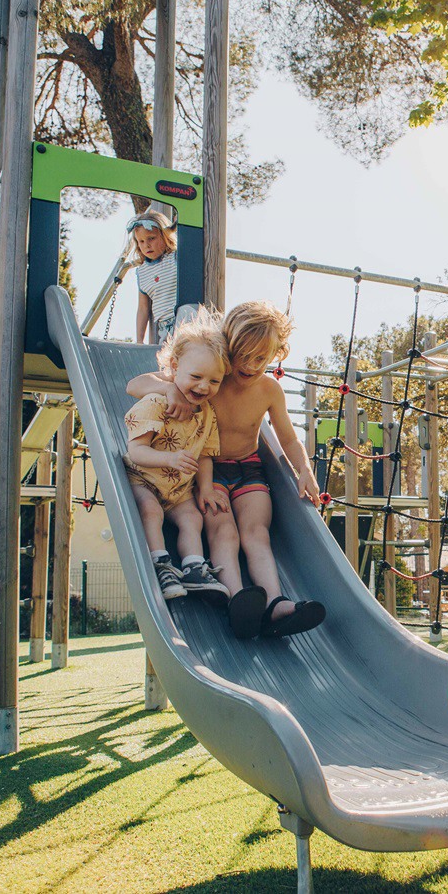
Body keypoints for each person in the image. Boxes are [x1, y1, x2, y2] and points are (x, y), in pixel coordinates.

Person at [126, 300, 326, 640]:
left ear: (277, 353)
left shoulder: (269, 390)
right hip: (209, 471)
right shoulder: (211, 377)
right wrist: (171, 388)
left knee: (256, 534)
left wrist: (303, 470)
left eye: (261, 357)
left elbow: (289, 439)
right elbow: (136, 385)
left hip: (250, 470)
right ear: (228, 345)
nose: (250, 364)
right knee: (223, 532)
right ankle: (237, 599)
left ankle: (275, 603)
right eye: (242, 355)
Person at [123, 309, 268, 636]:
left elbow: (205, 456)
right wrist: (171, 459)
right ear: (174, 369)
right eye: (196, 377)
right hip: (143, 480)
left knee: (194, 519)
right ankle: (161, 564)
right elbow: (135, 452)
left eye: (214, 381)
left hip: (178, 492)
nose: (204, 386)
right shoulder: (155, 402)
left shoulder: (207, 416)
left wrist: (205, 489)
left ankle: (193, 568)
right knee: (148, 510)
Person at [128, 210, 178, 345]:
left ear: (165, 236)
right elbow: (143, 308)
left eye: (151, 238)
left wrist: (180, 221)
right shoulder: (142, 272)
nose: (146, 245)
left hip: (182, 319)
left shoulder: (174, 258)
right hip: (164, 327)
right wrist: (139, 340)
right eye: (141, 241)